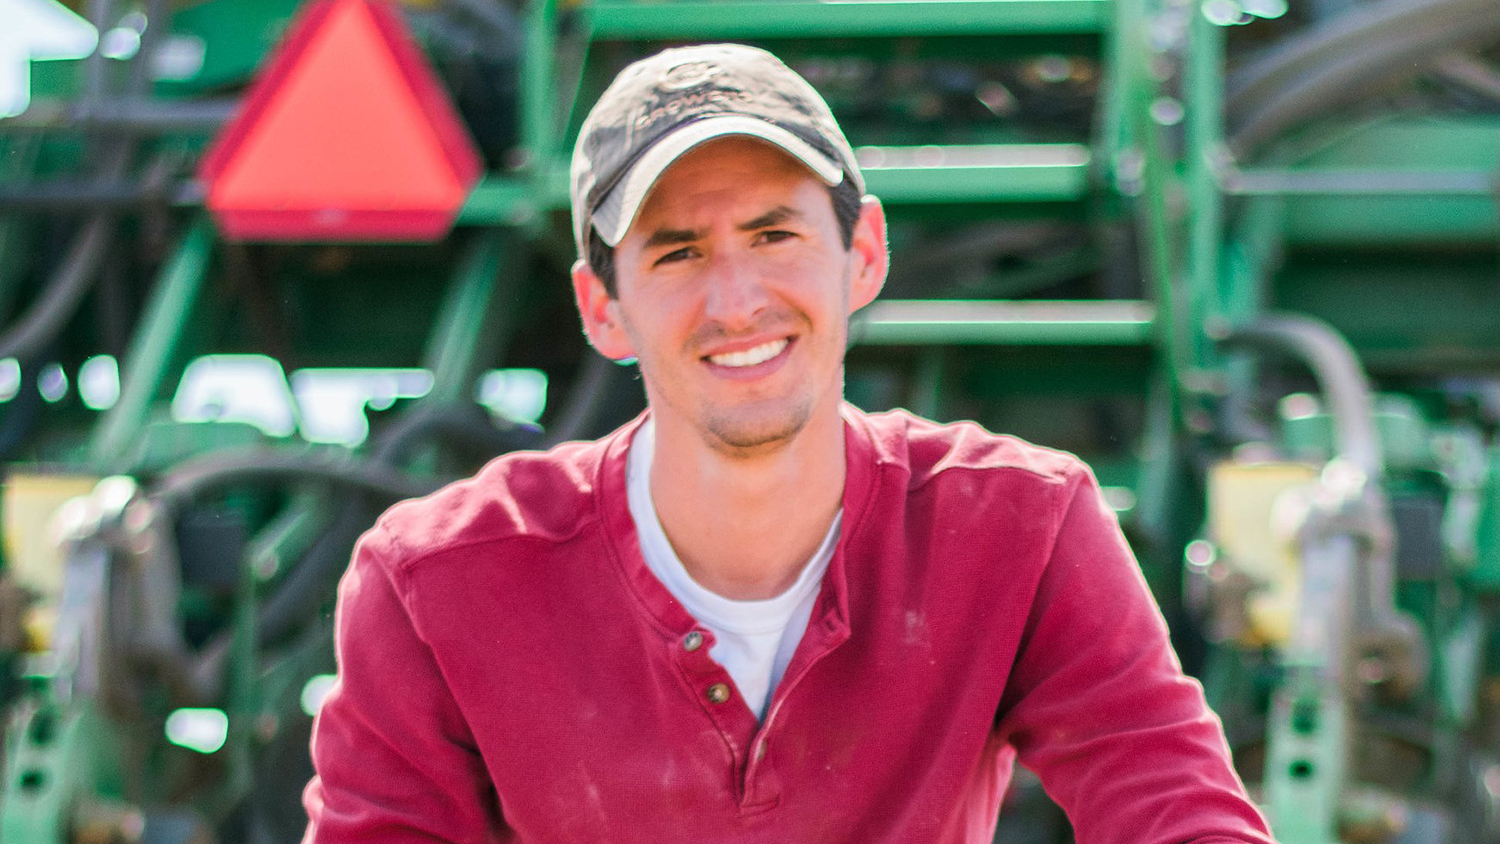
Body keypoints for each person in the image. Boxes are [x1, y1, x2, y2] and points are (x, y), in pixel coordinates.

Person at [302, 43, 1277, 843]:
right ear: (602, 308)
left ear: (864, 254)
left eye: (775, 236)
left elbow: (1175, 808)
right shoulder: (436, 583)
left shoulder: (1019, 526)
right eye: (679, 252)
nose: (736, 302)